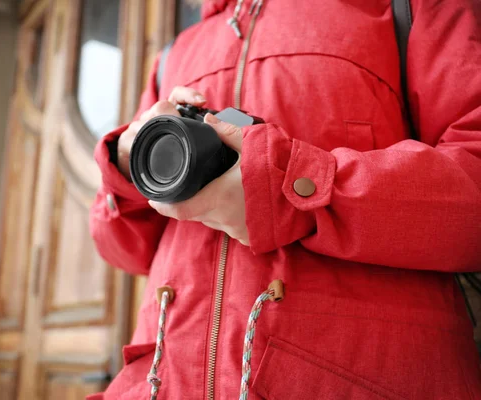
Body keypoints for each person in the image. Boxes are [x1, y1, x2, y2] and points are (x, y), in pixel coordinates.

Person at [88, 0, 481, 398]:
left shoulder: (410, 8)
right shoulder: (175, 52)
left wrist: (292, 189)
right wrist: (125, 167)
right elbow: (124, 253)